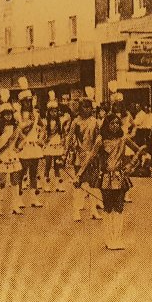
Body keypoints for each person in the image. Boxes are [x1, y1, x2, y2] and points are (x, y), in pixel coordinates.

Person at [75, 112, 146, 250]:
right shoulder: (101, 140)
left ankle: (117, 239)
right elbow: (90, 157)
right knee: (108, 208)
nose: (115, 126)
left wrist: (131, 165)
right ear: (107, 125)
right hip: (106, 178)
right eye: (112, 123)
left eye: (117, 123)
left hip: (120, 177)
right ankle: (109, 239)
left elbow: (140, 150)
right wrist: (79, 175)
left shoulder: (123, 138)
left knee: (119, 208)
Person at [66, 88, 103, 222]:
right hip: (79, 156)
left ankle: (93, 210)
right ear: (79, 108)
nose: (87, 109)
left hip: (93, 157)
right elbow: (69, 138)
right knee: (79, 184)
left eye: (89, 107)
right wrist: (65, 153)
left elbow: (99, 139)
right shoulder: (76, 122)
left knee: (93, 185)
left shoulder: (95, 122)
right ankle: (76, 211)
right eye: (84, 107)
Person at [0, 90, 24, 216]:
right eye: (5, 114)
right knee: (1, 183)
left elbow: (22, 139)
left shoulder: (16, 128)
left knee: (15, 182)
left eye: (9, 114)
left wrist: (19, 148)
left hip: (13, 156)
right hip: (2, 156)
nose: (8, 116)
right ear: (1, 115)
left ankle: (15, 206)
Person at [15, 77, 44, 208]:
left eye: (29, 100)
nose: (28, 103)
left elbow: (43, 127)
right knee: (21, 173)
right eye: (25, 101)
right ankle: (19, 198)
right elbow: (15, 131)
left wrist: (41, 138)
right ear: (21, 102)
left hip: (34, 146)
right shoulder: (17, 115)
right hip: (23, 147)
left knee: (33, 173)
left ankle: (34, 198)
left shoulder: (36, 115)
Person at [43, 90, 66, 193]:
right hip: (49, 144)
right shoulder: (45, 122)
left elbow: (62, 134)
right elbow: (43, 135)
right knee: (48, 165)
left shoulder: (60, 122)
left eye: (55, 111)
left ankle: (58, 184)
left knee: (57, 165)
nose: (54, 113)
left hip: (57, 144)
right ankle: (46, 184)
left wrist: (62, 142)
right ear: (48, 112)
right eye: (52, 111)